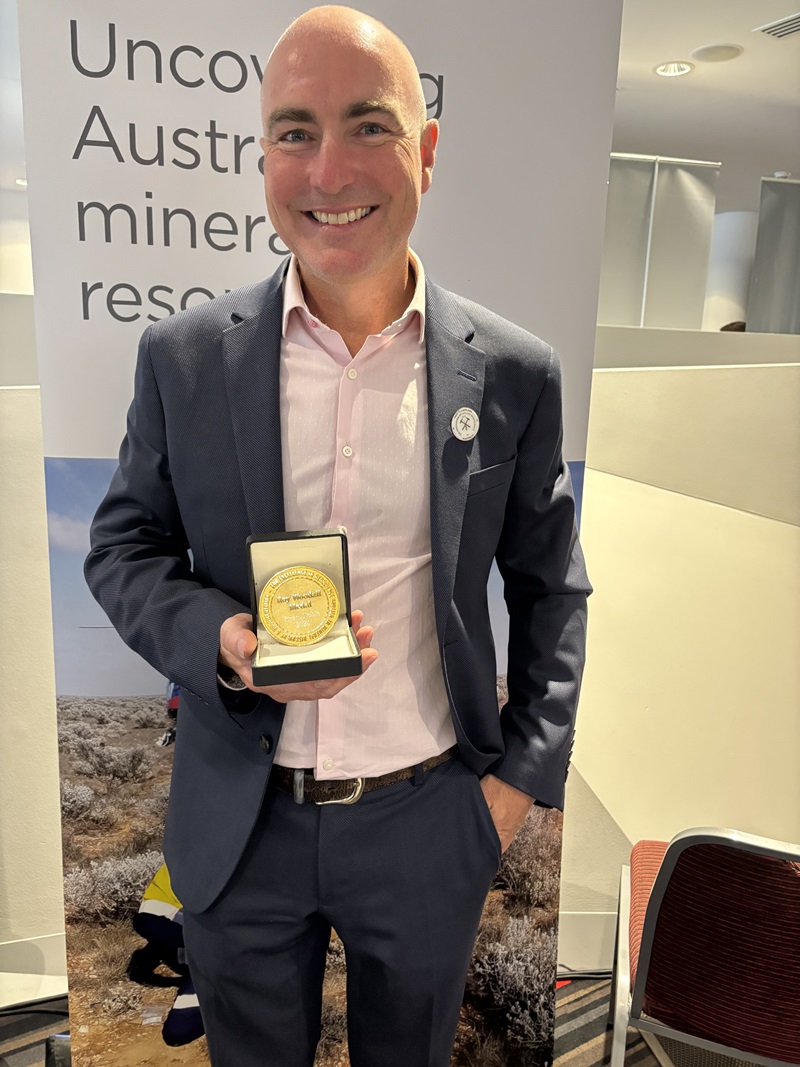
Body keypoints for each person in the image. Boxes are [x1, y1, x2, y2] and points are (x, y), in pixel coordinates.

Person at [85, 6, 591, 1065]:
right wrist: (223, 638)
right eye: (293, 132)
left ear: (427, 150)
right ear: (262, 152)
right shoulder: (182, 359)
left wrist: (517, 786)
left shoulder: (512, 372)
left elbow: (550, 587)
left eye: (367, 125)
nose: (327, 169)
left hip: (428, 821)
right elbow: (123, 550)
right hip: (239, 822)